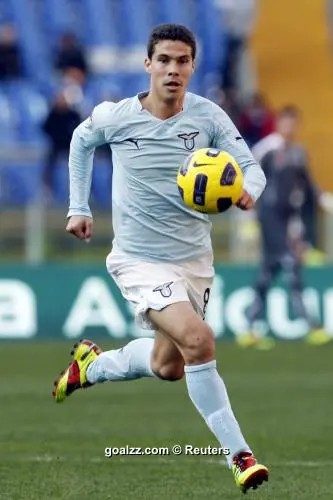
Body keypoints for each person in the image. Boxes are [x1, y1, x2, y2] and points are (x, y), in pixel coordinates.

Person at [52, 24, 269, 493]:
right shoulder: (116, 116)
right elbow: (80, 141)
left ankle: (91, 367)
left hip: (193, 260)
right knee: (200, 341)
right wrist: (78, 206)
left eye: (182, 61)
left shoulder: (208, 116)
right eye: (164, 61)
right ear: (147, 64)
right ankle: (241, 456)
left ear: (193, 66)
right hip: (138, 259)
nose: (173, 70)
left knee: (170, 365)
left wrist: (247, 192)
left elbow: (251, 168)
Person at [239, 106, 333, 349]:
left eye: (294, 123)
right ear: (279, 124)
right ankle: (313, 326)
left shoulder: (298, 152)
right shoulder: (266, 149)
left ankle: (249, 328)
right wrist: (248, 219)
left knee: (268, 273)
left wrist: (321, 197)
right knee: (292, 264)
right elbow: (249, 179)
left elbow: (306, 181)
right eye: (286, 123)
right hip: (269, 218)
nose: (290, 128)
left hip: (288, 219)